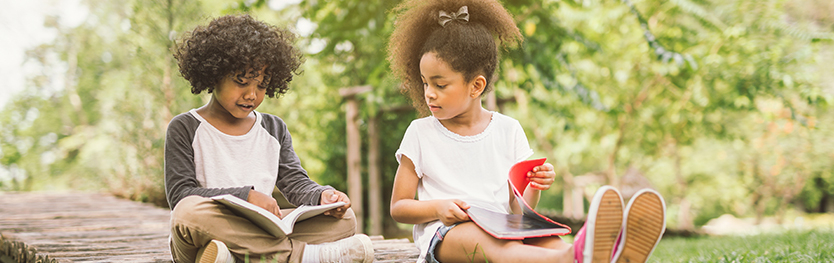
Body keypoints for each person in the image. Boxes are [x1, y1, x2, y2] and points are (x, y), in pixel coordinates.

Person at [386, 0, 667, 262]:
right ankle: (576, 257)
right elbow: (399, 206)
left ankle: (592, 254)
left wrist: (533, 186)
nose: (429, 94)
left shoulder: (508, 129)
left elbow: (518, 208)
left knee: (549, 241)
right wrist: (438, 208)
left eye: (440, 84)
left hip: (504, 226)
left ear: (476, 86)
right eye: (425, 83)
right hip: (447, 232)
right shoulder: (421, 132)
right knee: (496, 246)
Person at [164, 14, 373, 263]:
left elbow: (295, 182)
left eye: (262, 85)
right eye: (241, 81)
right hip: (211, 230)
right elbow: (181, 194)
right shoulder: (184, 127)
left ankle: (232, 258)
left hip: (261, 232)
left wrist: (323, 196)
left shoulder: (274, 128)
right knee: (187, 212)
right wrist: (246, 196)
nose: (252, 94)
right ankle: (301, 256)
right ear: (214, 74)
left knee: (346, 219)